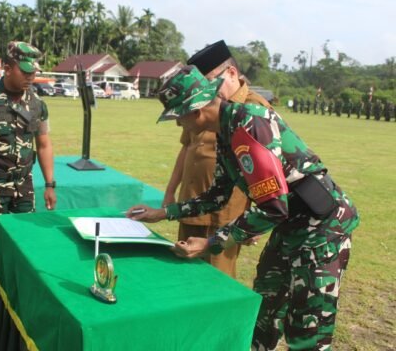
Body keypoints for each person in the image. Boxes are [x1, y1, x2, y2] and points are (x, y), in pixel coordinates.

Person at [128, 65, 359, 350]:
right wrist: (164, 213)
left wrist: (211, 243)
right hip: (291, 224)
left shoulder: (250, 123)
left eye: (179, 118)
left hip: (322, 228)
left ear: (195, 111)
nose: (179, 126)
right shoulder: (225, 130)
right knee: (265, 309)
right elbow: (218, 195)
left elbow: (273, 207)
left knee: (307, 329)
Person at [162, 40, 270, 278]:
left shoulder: (254, 111)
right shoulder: (198, 105)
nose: (205, 90)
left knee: (217, 279)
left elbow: (265, 175)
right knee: (186, 274)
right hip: (194, 203)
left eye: (210, 81)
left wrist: (253, 223)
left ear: (231, 73)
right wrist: (170, 192)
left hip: (225, 215)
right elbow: (187, 147)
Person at [0, 41, 57, 312]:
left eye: (33, 72)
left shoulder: (38, 105)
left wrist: (50, 184)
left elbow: (44, 144)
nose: (30, 77)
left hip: (23, 186)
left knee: (25, 243)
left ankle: (18, 300)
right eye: (25, 71)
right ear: (7, 67)